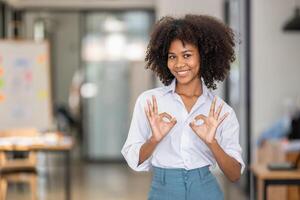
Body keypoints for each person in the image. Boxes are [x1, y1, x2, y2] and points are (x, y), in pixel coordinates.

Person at [121, 14, 245, 200]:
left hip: (206, 191)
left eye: (187, 55)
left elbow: (235, 174)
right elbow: (133, 159)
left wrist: (212, 143)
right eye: (172, 57)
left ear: (203, 56)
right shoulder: (150, 102)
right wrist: (154, 139)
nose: (179, 64)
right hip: (163, 191)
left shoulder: (221, 111)